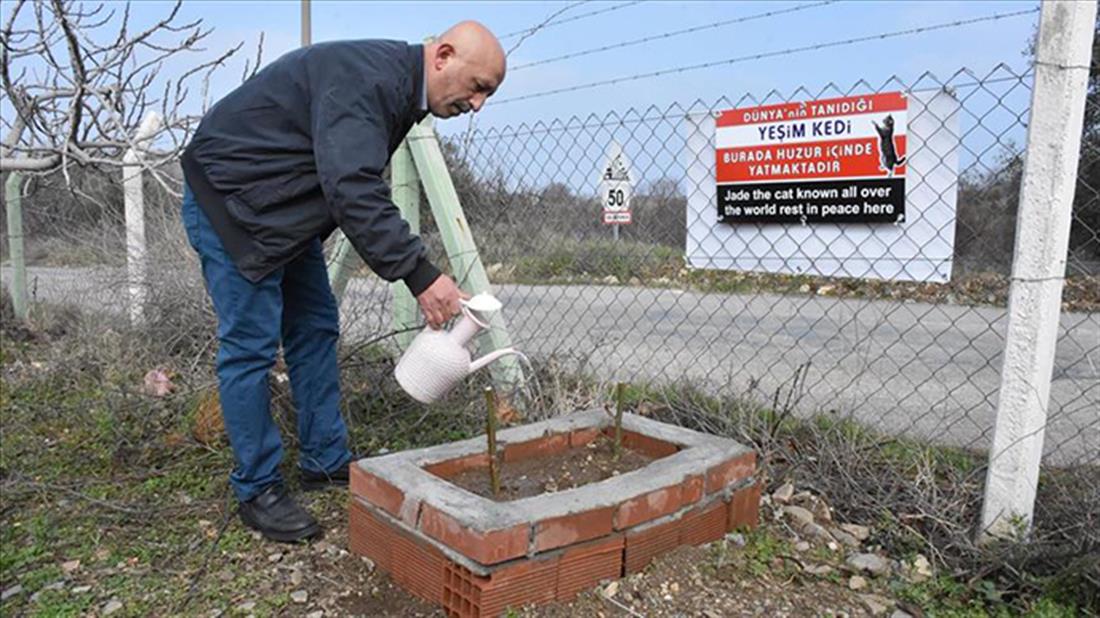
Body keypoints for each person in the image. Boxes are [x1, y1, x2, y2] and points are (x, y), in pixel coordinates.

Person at [180, 21, 506, 542]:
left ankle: (325, 461)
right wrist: (421, 275)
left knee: (315, 329)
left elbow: (342, 180)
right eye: (479, 87)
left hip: (283, 212)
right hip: (232, 202)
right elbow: (352, 185)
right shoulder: (370, 80)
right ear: (442, 56)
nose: (478, 104)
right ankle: (257, 488)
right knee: (251, 347)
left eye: (488, 94)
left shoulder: (398, 89)